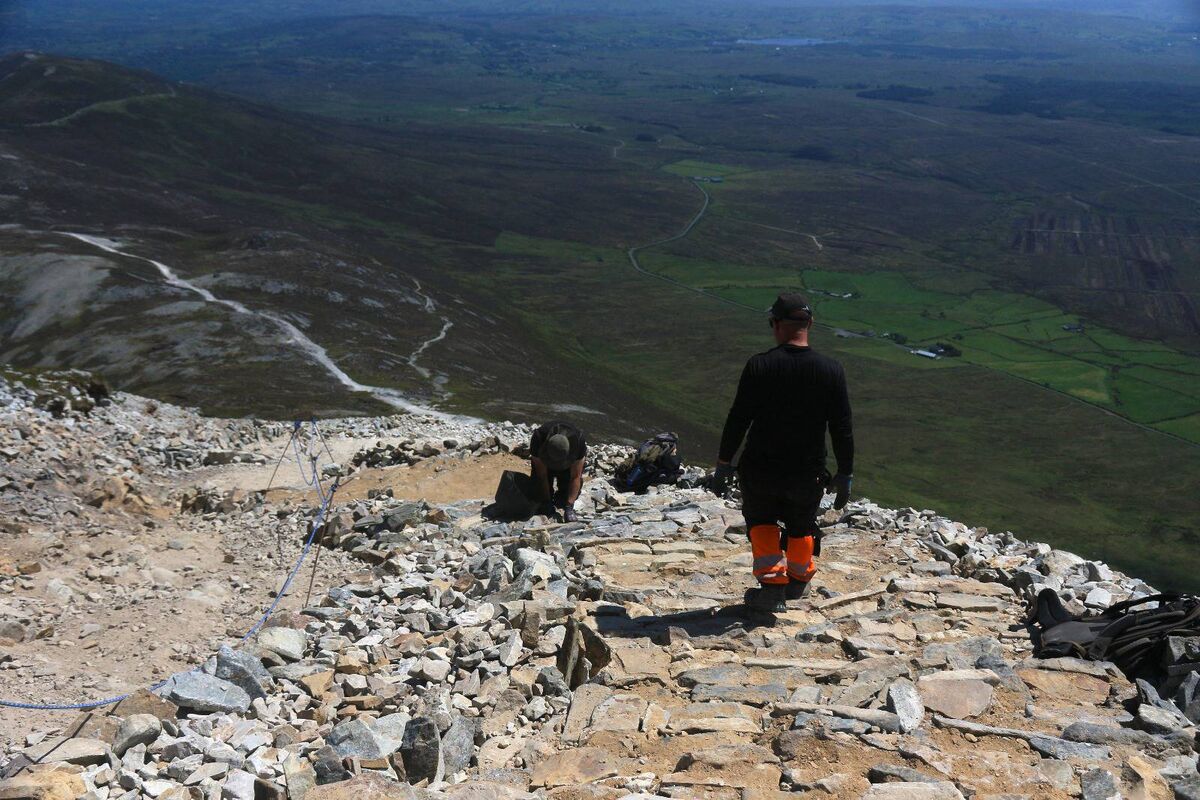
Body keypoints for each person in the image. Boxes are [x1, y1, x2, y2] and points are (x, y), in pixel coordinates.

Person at [713, 293, 854, 612]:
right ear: (810, 324)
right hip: (808, 472)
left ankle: (773, 587)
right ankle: (798, 580)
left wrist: (724, 462)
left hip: (761, 468)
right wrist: (845, 472)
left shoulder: (760, 365)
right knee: (801, 525)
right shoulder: (831, 370)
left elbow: (738, 419)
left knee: (762, 522)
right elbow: (841, 427)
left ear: (775, 324)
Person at [529, 421, 587, 522]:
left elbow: (576, 476)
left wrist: (569, 507)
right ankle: (547, 500)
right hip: (546, 461)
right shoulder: (538, 438)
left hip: (567, 466)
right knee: (537, 495)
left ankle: (561, 499)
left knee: (564, 499)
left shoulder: (579, 441)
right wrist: (546, 501)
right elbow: (541, 475)